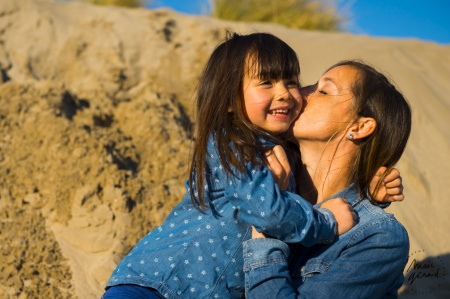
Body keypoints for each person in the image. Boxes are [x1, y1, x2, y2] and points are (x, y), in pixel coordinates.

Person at [102, 31, 355, 299]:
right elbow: (269, 212)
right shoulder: (230, 143)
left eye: (291, 82)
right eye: (266, 82)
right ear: (230, 99)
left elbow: (321, 179)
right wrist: (326, 222)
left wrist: (369, 186)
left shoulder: (281, 151)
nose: (284, 93)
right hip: (157, 286)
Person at [243, 60, 412, 298]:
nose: (299, 94)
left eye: (323, 91)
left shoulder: (377, 236)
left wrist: (268, 228)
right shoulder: (254, 178)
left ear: (360, 126)